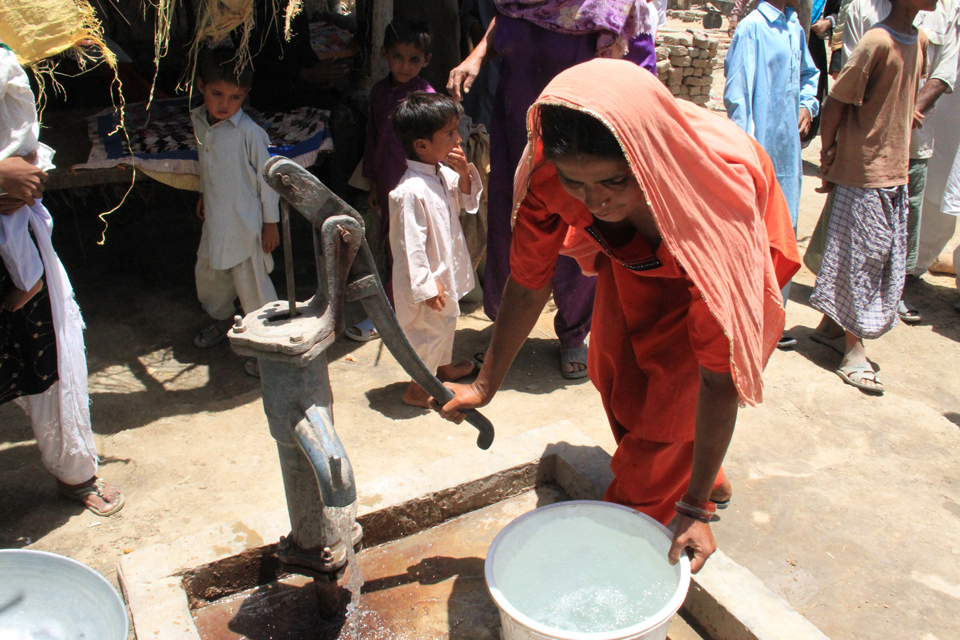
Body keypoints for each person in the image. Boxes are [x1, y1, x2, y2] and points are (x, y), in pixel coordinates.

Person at [433, 59, 800, 572]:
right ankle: (700, 472)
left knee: (667, 416)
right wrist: (487, 381)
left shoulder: (715, 206)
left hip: (710, 259)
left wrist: (692, 513)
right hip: (641, 257)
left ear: (649, 160)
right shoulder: (549, 176)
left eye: (613, 182)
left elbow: (719, 377)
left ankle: (638, 534)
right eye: (577, 184)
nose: (597, 201)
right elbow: (529, 279)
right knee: (615, 376)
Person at [447, 0, 658, 380]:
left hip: (578, 145)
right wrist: (477, 56)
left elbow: (641, 78)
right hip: (516, 124)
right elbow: (507, 22)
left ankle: (574, 331)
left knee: (582, 230)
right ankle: (508, 325)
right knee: (514, 226)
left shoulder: (617, 7)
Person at [0, 41, 123, 516]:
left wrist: (24, 175)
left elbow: (23, 144)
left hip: (15, 245)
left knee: (46, 360)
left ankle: (75, 471)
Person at [809, 0, 931, 395]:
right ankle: (853, 350)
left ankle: (831, 326)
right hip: (863, 171)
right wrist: (828, 154)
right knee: (863, 259)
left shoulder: (919, 40)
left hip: (893, 167)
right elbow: (837, 103)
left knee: (872, 255)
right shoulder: (876, 42)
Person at [839, 0, 958, 323]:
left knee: (902, 226)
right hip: (868, 152)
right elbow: (848, 87)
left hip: (915, 144)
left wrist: (908, 113)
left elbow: (945, 71)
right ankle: (845, 317)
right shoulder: (862, 12)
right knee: (860, 235)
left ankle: (894, 294)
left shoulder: (944, 12)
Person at [724, 0, 819, 349]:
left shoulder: (794, 27)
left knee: (784, 231)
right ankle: (748, 319)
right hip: (759, 152)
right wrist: (744, 158)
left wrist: (808, 105)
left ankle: (772, 319)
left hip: (788, 155)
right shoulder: (752, 28)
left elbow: (810, 75)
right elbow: (737, 97)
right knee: (755, 233)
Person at [191, 49, 280, 378]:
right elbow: (207, 162)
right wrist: (204, 193)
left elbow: (268, 180)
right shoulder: (200, 120)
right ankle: (224, 321)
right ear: (202, 87)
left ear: (245, 96)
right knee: (210, 279)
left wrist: (270, 223)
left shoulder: (249, 134)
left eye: (235, 97)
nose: (224, 104)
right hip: (215, 220)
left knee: (253, 288)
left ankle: (266, 347)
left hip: (246, 226)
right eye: (217, 94)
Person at [389, 93, 482, 407]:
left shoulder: (440, 174)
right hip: (430, 279)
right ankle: (417, 389)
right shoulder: (410, 190)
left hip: (446, 269)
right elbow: (408, 245)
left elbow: (468, 201)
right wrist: (426, 285)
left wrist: (466, 172)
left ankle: (443, 369)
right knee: (428, 332)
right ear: (422, 146)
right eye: (450, 134)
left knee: (446, 323)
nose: (458, 139)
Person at [347, 18, 436, 343]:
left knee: (405, 248)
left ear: (426, 59)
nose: (405, 65)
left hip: (414, 189)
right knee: (391, 246)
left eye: (414, 59)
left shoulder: (425, 96)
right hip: (387, 186)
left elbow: (434, 149)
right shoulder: (380, 91)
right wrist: (372, 181)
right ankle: (396, 307)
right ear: (385, 54)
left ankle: (385, 316)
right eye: (398, 57)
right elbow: (372, 137)